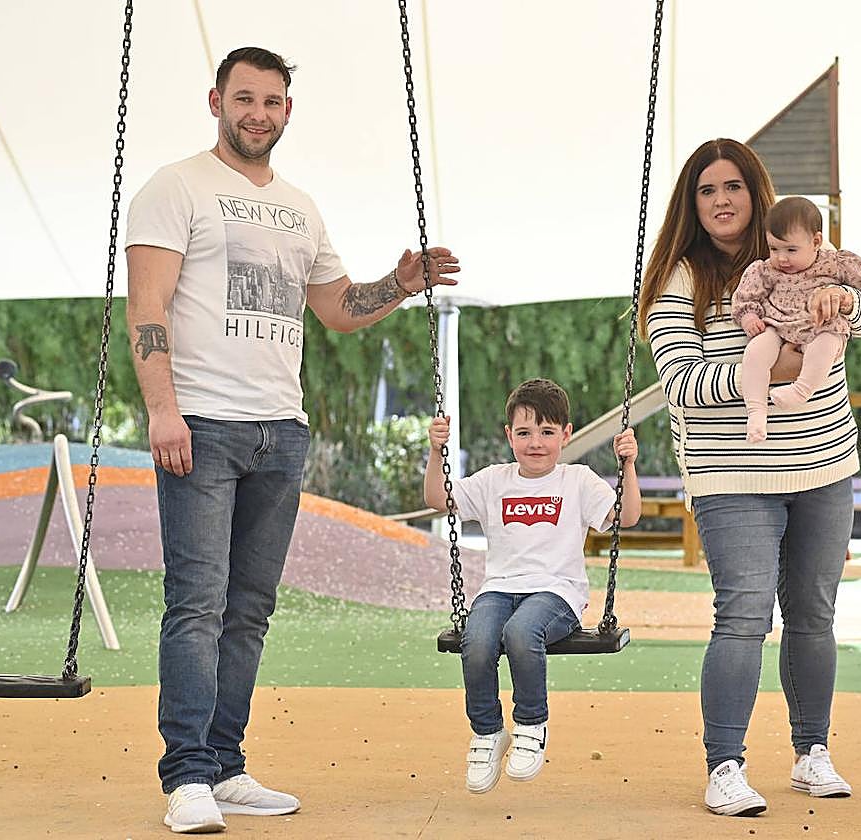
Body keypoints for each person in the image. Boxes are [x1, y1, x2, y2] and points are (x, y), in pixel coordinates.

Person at [125, 46, 460, 834]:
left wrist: (403, 283)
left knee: (249, 609)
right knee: (197, 603)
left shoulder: (302, 207)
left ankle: (227, 765)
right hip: (202, 423)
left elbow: (338, 308)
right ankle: (186, 778)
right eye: (245, 98)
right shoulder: (174, 188)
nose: (258, 114)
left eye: (272, 102)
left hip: (282, 427)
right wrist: (162, 409)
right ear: (216, 101)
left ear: (286, 111)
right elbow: (148, 306)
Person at [639, 139, 861, 817]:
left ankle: (812, 752)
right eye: (706, 190)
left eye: (734, 187)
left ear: (757, 192)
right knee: (745, 613)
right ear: (692, 205)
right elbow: (682, 385)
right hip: (732, 472)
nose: (722, 200)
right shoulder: (680, 279)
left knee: (813, 613)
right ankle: (725, 765)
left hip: (822, 464)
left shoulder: (802, 248)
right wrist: (772, 375)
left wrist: (841, 299)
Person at [423, 378, 641, 794]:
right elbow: (440, 499)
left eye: (546, 432)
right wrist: (436, 452)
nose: (535, 442)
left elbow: (626, 516)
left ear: (566, 433)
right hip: (499, 588)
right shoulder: (493, 480)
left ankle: (530, 725)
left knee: (521, 633)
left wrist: (627, 465)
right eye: (524, 433)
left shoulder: (577, 481)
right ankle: (488, 732)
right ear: (509, 436)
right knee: (479, 638)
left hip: (557, 592)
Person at [733, 196, 861, 442]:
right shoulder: (765, 270)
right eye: (774, 249)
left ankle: (802, 390)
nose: (781, 258)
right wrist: (749, 317)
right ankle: (756, 411)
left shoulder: (835, 263)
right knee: (755, 352)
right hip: (777, 324)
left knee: (828, 342)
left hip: (820, 324)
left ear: (816, 241)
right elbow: (746, 296)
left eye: (790, 250)